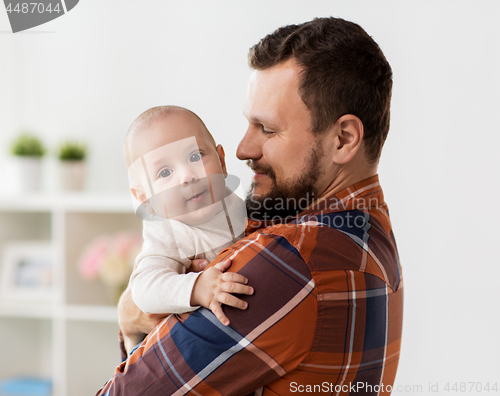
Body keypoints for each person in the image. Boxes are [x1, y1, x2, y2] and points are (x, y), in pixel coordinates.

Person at [97, 16, 403, 395]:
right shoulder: (367, 228)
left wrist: (130, 314)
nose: (243, 149)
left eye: (268, 129)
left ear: (343, 139)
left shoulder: (291, 261)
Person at [123, 106, 252, 353]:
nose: (187, 176)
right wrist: (198, 287)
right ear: (146, 200)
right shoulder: (166, 229)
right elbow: (144, 288)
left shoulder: (237, 203)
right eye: (165, 172)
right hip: (165, 350)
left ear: (222, 162)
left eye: (195, 156)